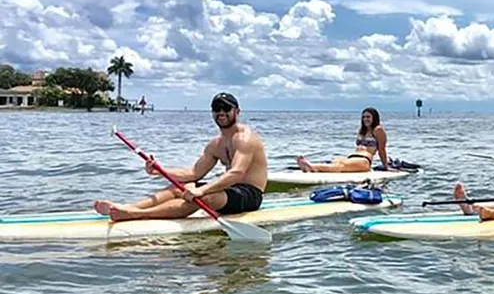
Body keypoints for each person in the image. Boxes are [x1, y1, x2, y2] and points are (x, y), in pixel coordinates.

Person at [93, 92, 269, 222]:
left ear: (237, 111)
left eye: (226, 108)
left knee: (199, 197)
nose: (221, 112)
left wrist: (201, 190)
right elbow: (194, 173)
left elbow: (237, 172)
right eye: (217, 109)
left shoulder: (245, 138)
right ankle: (129, 207)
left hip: (249, 194)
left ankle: (136, 215)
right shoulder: (216, 144)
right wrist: (159, 171)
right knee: (180, 189)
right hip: (230, 190)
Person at [295, 107, 394, 173]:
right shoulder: (362, 130)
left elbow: (382, 149)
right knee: (336, 160)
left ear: (374, 118)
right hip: (352, 157)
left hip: (364, 160)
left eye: (368, 117)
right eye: (363, 117)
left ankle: (312, 167)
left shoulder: (378, 130)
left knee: (341, 165)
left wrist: (386, 166)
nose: (365, 119)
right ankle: (313, 167)